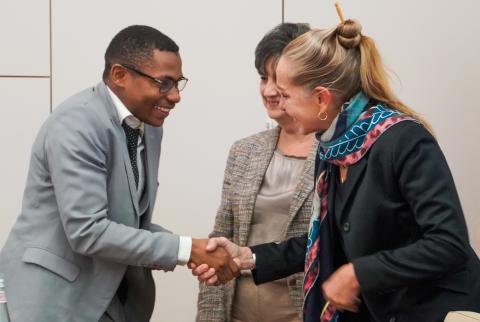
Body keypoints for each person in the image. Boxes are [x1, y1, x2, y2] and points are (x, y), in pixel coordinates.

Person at [195, 19, 480, 322]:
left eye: (287, 96)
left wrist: (359, 273)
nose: (281, 106)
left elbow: (448, 243)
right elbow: (324, 239)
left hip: (437, 311)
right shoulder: (335, 147)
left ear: (321, 98)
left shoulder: (402, 139)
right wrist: (247, 257)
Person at [0, 25, 237, 322]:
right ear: (119, 75)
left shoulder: (148, 126)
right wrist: (188, 250)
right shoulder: (77, 123)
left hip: (112, 297)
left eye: (178, 83)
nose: (175, 96)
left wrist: (198, 247)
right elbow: (88, 231)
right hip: (54, 297)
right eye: (164, 83)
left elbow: (129, 222)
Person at [195, 23, 316, 322]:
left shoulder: (339, 151)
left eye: (279, 79)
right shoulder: (244, 151)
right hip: (237, 312)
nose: (269, 90)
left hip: (306, 312)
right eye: (264, 78)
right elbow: (220, 238)